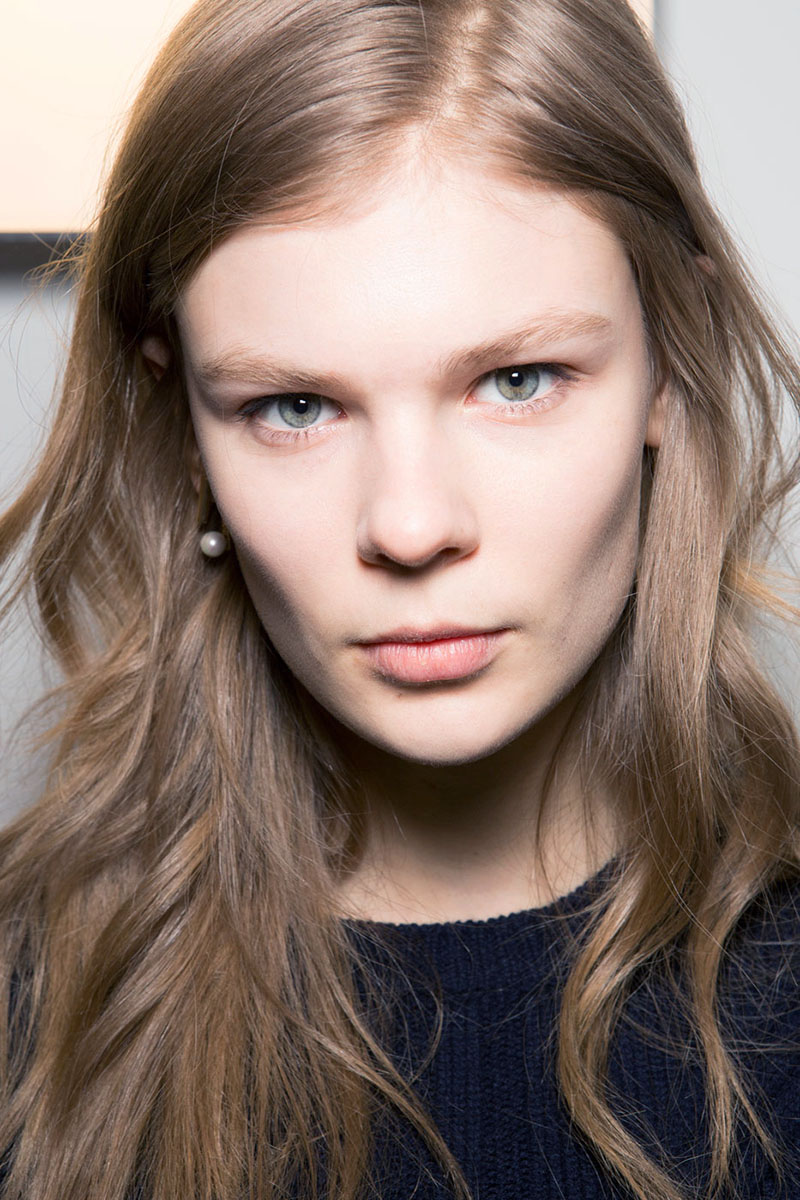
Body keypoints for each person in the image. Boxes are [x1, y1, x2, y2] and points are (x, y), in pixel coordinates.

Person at [0, 0, 798, 1197]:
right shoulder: (30, 1021)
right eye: (294, 407)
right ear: (182, 428)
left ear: (665, 367)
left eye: (516, 380)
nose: (411, 527)